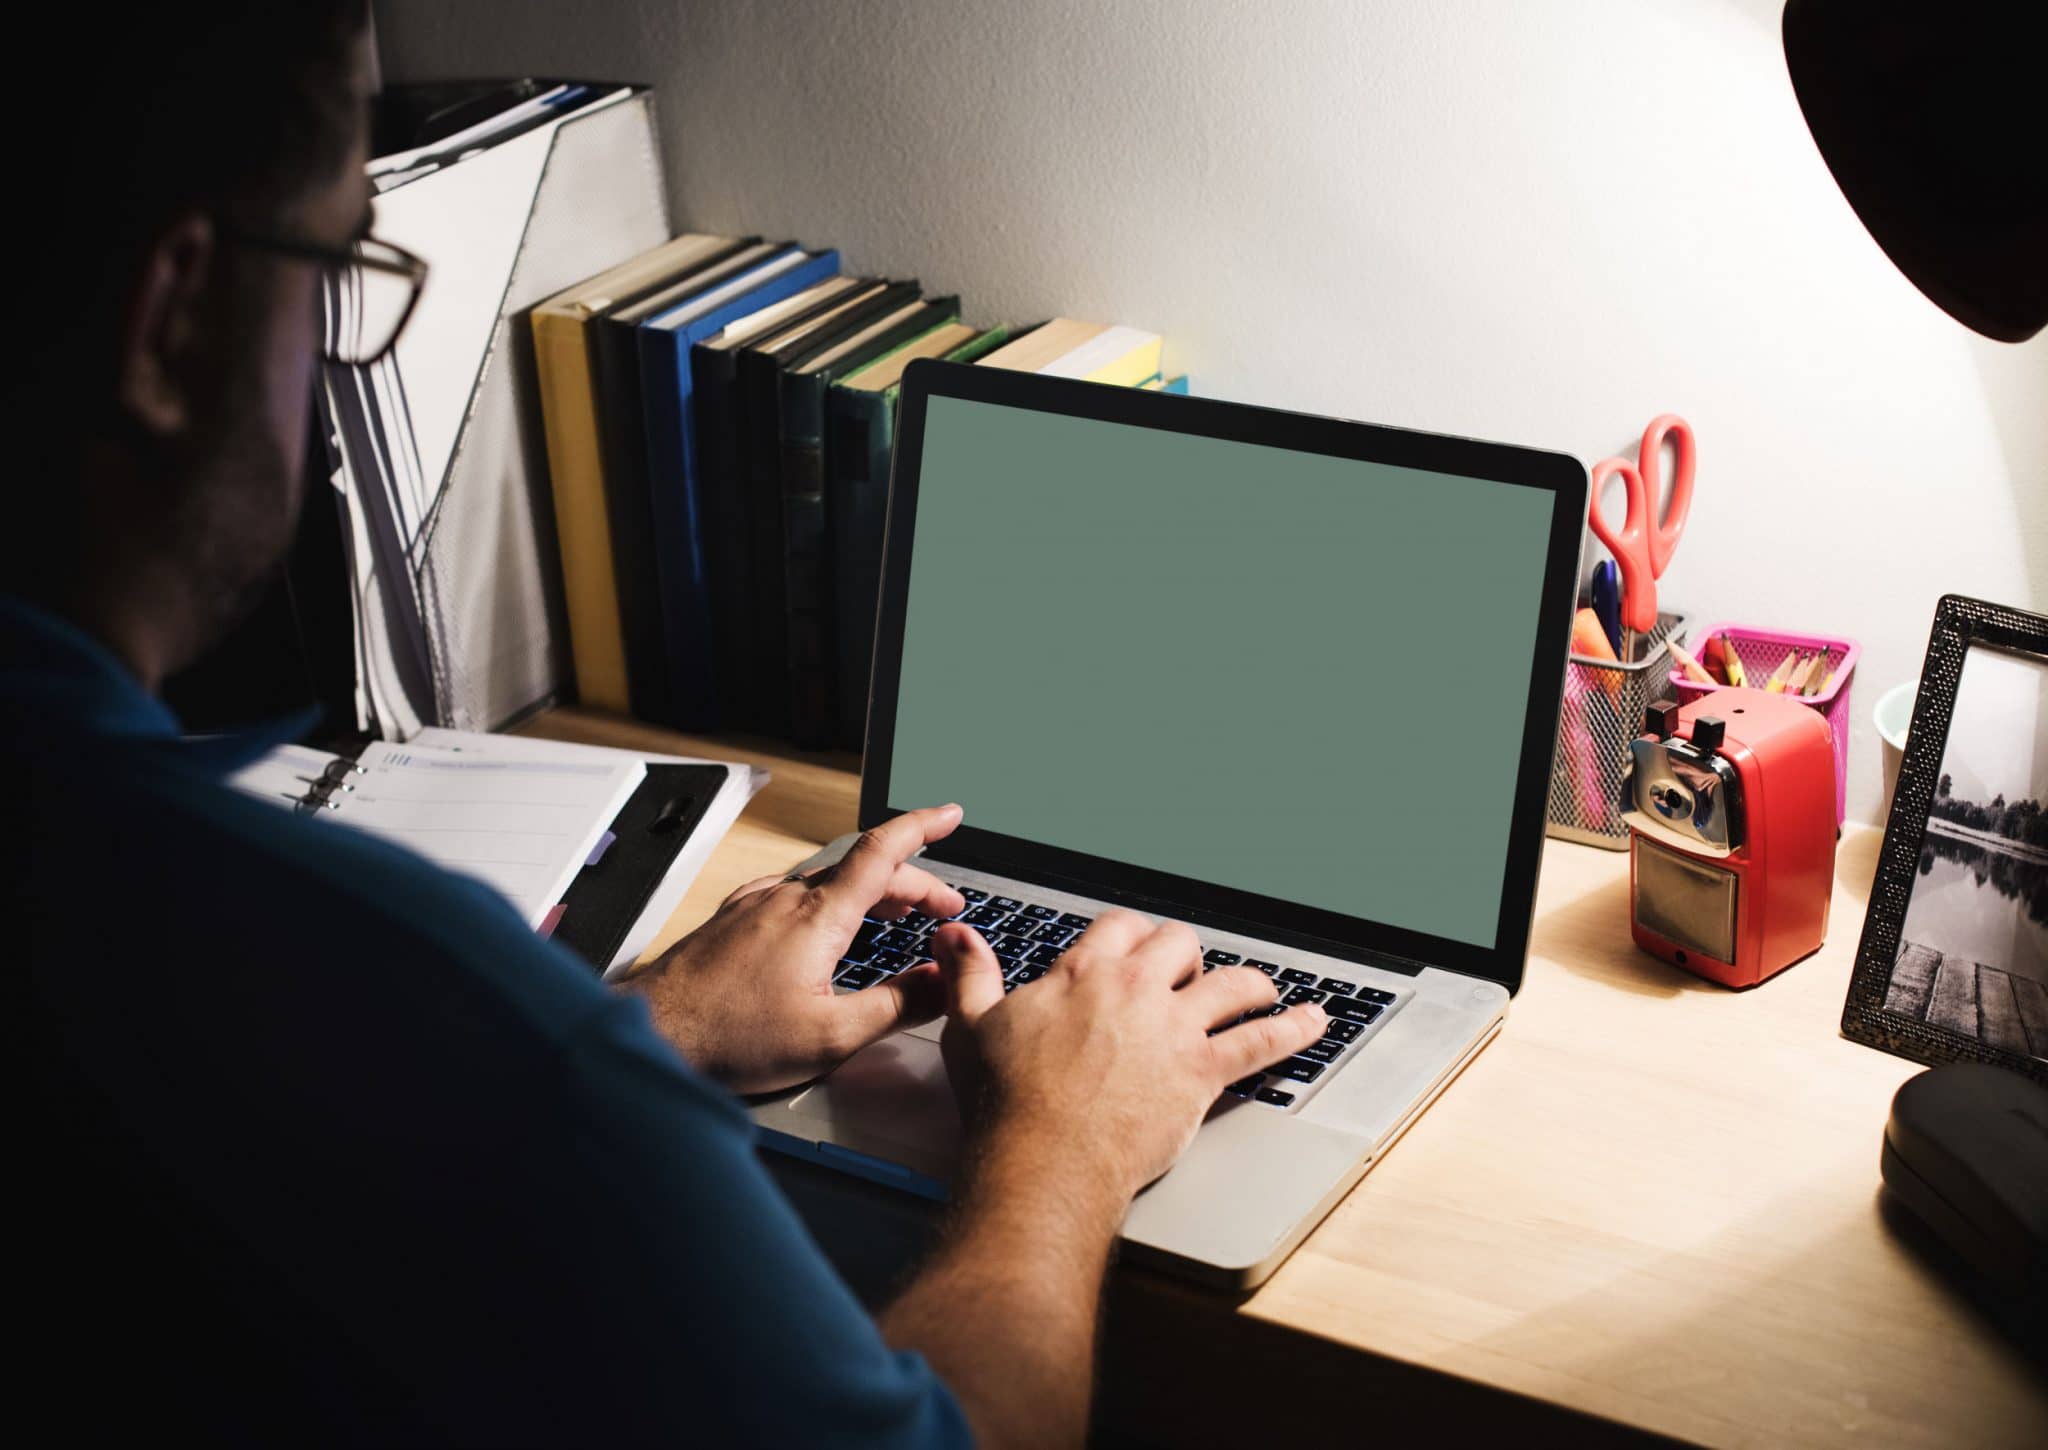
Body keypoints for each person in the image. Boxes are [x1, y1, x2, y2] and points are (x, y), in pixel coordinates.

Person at [11, 5, 1325, 1443]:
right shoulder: (394, 1000)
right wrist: (1064, 1150)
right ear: (176, 318)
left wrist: (654, 1017)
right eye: (339, 268)